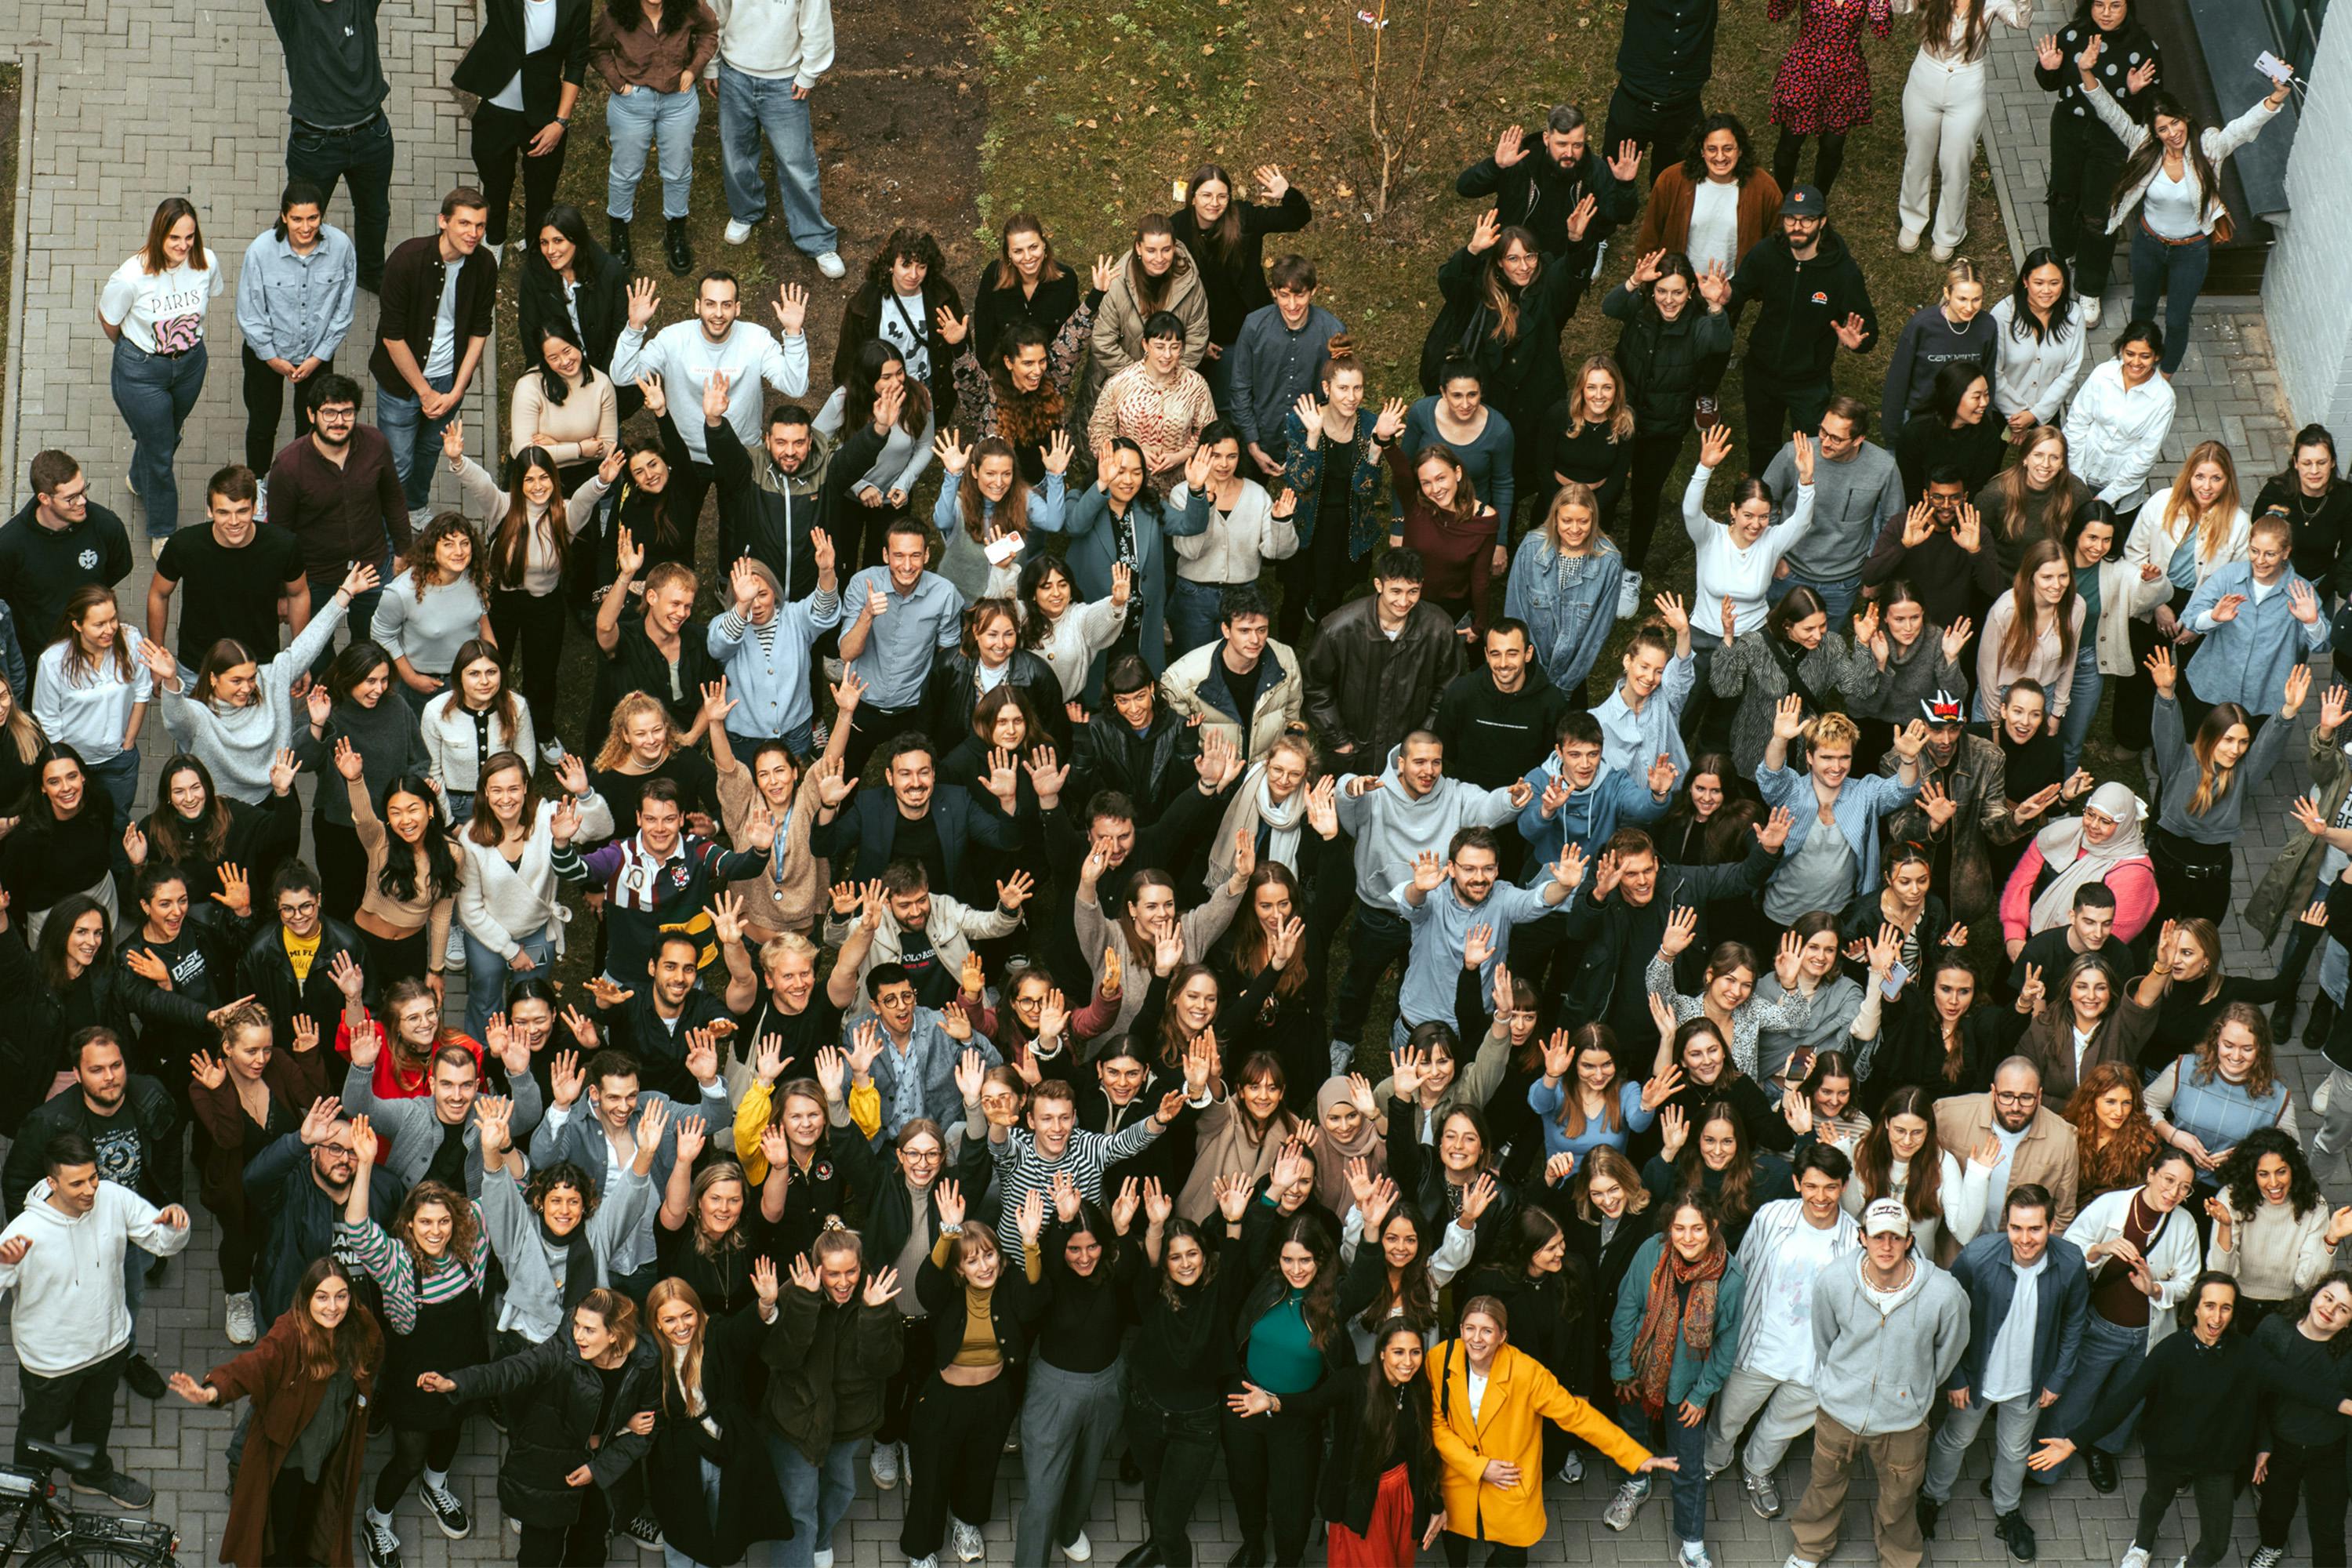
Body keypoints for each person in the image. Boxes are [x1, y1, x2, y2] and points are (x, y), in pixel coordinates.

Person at [0, 1130, 192, 1507]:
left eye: (93, 1177)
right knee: (37, 1434)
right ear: (52, 1182)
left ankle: (91, 1476)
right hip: (51, 1363)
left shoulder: (113, 1198)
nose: (90, 1190)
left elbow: (159, 1241)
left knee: (96, 1419)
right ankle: (22, 1501)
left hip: (109, 1345)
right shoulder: (24, 1231)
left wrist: (174, 1228)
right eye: (77, 1183)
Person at [1779, 1196, 1968, 1568]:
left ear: (1909, 1241)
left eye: (1895, 1238)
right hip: (1839, 1411)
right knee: (1823, 1487)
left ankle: (1898, 1560)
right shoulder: (1834, 1279)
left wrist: (1914, 1389)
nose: (1886, 1246)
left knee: (1899, 1500)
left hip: (1903, 1420)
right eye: (1877, 1236)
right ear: (1861, 1237)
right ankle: (1809, 1549)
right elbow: (1824, 1340)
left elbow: (1948, 1352)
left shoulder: (1944, 1294)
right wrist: (1843, 1381)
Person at [338, 1120, 489, 1566]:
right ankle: (377, 1520)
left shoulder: (472, 1245)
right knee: (409, 1455)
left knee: (453, 1428)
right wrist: (364, 1164)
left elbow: (501, 1191)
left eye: (444, 1220)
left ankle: (436, 1485)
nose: (437, 1230)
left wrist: (494, 1146)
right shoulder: (398, 1263)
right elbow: (358, 1228)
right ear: (410, 1223)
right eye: (426, 1222)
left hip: (464, 1367)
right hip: (414, 1378)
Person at [422, 1287, 659, 1567]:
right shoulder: (563, 1350)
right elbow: (512, 1370)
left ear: (614, 1334)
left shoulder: (644, 1363)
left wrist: (598, 1468)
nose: (578, 1336)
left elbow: (647, 1432)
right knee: (539, 1556)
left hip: (601, 1474)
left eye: (589, 1330)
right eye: (577, 1325)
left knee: (589, 1552)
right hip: (552, 1465)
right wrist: (456, 1383)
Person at [166, 1257, 379, 1566]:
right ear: (307, 1299)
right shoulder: (290, 1333)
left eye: (341, 1295)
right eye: (322, 1297)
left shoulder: (359, 1326)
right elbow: (255, 1365)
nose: (333, 1307)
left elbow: (375, 1355)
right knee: (278, 1525)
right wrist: (213, 1391)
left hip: (330, 1452)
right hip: (289, 1457)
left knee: (313, 1511)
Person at [2080, 63, 2290, 376]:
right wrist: (2086, 72)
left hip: (2190, 250)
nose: (2172, 133)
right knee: (2142, 309)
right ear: (2154, 132)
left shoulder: (2208, 147)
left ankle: (2164, 375)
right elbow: (2110, 112)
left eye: (2174, 123)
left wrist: (2277, 95)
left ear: (2185, 118)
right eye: (2162, 129)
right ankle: (2132, 360)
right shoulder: (2144, 145)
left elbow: (2242, 128)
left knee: (2177, 319)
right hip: (2149, 243)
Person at [1915, 1184, 2088, 1560]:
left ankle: (2007, 1510)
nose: (2025, 1240)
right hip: (1977, 1377)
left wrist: (2058, 1378)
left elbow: (2075, 1323)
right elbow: (1946, 1317)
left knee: (2014, 1450)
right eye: (2016, 1228)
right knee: (1954, 1440)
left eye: (2035, 1229)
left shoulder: (2071, 1261)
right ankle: (1931, 1496)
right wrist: (1956, 1376)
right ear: (2006, 1225)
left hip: (2029, 1382)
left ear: (2051, 1225)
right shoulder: (1977, 1256)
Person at [2028, 1271, 2248, 1566]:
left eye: (2226, 1308)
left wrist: (2333, 1400)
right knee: (2156, 1500)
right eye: (2210, 1305)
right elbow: (2124, 1399)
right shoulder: (2169, 1351)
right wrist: (2073, 1441)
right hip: (2169, 1451)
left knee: (2218, 1542)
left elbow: (2284, 1385)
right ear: (2195, 1307)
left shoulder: (2245, 1352)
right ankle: (2142, 1546)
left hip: (2217, 1458)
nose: (2217, 1317)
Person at [1444, 1290, 1671, 1567]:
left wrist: (1633, 1454)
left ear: (1503, 1336)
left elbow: (1576, 1415)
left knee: (1511, 1557)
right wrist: (1479, 1467)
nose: (1476, 1338)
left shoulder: (1527, 1373)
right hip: (1459, 1479)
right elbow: (1434, 1424)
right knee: (1456, 1544)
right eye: (1470, 1329)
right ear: (1460, 1330)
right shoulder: (1441, 1360)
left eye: (1487, 1331)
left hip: (1508, 1482)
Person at [2028, 1144, 2201, 1491]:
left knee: (2127, 1400)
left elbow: (2189, 1281)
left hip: (2148, 1334)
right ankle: (2041, 1468)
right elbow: (2069, 1250)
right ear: (2151, 1174)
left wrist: (2156, 1290)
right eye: (2169, 1180)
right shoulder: (2112, 1205)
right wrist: (2101, 1249)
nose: (2174, 1193)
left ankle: (2102, 1449)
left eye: (2185, 1187)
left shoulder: (2184, 1224)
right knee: (2075, 1398)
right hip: (2101, 1327)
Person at [1696, 1149, 1853, 1526]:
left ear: (1843, 1187)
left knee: (1781, 1428)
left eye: (1830, 1188)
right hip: (1758, 1348)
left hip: (1812, 1361)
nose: (1820, 1197)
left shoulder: (1853, 1241)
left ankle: (1757, 1469)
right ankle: (1710, 1463)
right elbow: (1742, 1269)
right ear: (1797, 1183)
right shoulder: (1771, 1216)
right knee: (1728, 1418)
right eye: (1811, 1186)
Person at [612, 275, 815, 550]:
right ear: (697, 306)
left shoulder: (756, 339)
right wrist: (635, 327)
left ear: (738, 308)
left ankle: (725, 581)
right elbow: (622, 375)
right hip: (686, 456)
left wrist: (793, 333)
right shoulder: (673, 339)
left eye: (726, 305)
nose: (718, 314)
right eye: (710, 304)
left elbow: (795, 385)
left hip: (741, 453)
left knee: (737, 526)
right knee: (679, 525)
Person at [1418, 212, 1583, 499]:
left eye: (1530, 257)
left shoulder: (1547, 289)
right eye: (1514, 259)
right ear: (1499, 262)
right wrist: (1472, 250)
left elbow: (1571, 277)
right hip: (1488, 396)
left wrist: (1576, 242)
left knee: (1515, 474)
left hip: (1530, 401)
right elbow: (1450, 282)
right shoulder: (1482, 293)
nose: (1524, 267)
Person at [1603, 254, 1732, 608]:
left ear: (1690, 292)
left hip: (1664, 428)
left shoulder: (1699, 325)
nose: (1668, 300)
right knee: (1608, 486)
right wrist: (1632, 281)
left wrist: (1716, 307)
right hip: (1622, 418)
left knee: (1646, 496)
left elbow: (1720, 343)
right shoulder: (1639, 310)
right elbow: (1608, 306)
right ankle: (1595, 553)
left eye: (1677, 292)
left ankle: (1632, 571)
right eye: (1661, 291)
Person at [2146, 650, 2306, 926]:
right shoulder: (2181, 760)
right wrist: (2166, 693)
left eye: (2243, 742)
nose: (2235, 750)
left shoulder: (2244, 774)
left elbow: (2268, 747)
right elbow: (2166, 729)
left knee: (2202, 944)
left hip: (2212, 879)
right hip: (2166, 869)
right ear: (2210, 735)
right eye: (2228, 740)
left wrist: (2288, 711)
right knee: (2150, 932)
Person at [99, 198, 223, 551]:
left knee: (165, 438)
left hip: (190, 366)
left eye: (189, 237)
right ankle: (163, 529)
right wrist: (135, 352)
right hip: (142, 372)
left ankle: (138, 478)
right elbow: (110, 320)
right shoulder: (131, 277)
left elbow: (208, 300)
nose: (183, 246)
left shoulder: (206, 262)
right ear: (158, 235)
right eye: (174, 238)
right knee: (161, 454)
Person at [2035, 0, 2165, 325]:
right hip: (2069, 126)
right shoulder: (2073, 36)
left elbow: (2152, 106)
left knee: (2099, 211)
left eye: (2115, 5)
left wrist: (2136, 93)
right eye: (2099, 4)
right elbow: (2051, 85)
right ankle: (2062, 256)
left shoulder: (2143, 49)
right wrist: (2048, 69)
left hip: (2112, 137)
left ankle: (2090, 287)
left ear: (2128, 8)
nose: (2106, 13)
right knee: (2063, 194)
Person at [265, 376, 408, 670]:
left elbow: (393, 500)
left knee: (372, 647)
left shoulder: (375, 445)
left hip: (372, 569)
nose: (339, 421)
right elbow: (279, 535)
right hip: (316, 578)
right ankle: (328, 699)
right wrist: (282, 594)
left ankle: (363, 692)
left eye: (347, 412)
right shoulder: (289, 466)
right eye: (329, 412)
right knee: (318, 652)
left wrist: (404, 552)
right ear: (311, 415)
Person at [1726, 187, 1878, 460]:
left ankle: (1803, 497)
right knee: (1761, 446)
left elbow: (1870, 331)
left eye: (1806, 219)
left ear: (1822, 222)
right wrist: (1726, 295)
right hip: (1761, 372)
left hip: (1809, 381)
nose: (1797, 227)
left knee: (1811, 450)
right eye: (1790, 219)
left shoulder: (1843, 272)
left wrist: (1859, 342)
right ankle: (1764, 497)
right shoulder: (1767, 253)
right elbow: (1740, 289)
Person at [371, 192, 495, 519]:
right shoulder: (407, 259)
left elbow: (480, 331)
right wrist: (425, 393)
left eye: (480, 225)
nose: (474, 233)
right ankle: (387, 523)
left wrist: (455, 392)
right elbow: (392, 337)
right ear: (443, 222)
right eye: (465, 223)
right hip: (402, 383)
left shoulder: (484, 265)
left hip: (447, 382)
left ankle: (414, 508)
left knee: (428, 451)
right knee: (397, 459)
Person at [235, 183, 358, 485]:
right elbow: (250, 313)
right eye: (298, 219)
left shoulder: (341, 247)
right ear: (284, 217)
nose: (306, 227)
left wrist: (318, 357)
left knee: (311, 426)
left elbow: (344, 308)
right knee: (263, 424)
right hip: (266, 357)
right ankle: (260, 483)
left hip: (315, 356)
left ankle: (301, 481)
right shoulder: (261, 252)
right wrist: (273, 359)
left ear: (321, 216)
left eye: (313, 218)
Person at [710, 0, 841, 274]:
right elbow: (714, 14)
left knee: (796, 162)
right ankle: (745, 212)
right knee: (736, 151)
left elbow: (816, 22)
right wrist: (712, 64)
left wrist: (809, 72)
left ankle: (815, 238)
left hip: (785, 82)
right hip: (735, 74)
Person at [451, 0, 590, 259]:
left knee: (541, 190)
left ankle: (536, 244)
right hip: (495, 113)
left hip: (544, 116)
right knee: (495, 184)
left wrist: (560, 123)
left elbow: (577, 60)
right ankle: (494, 240)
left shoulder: (576, 4)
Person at [591, 0, 718, 274]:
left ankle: (675, 232)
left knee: (678, 170)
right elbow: (598, 49)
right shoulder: (616, 12)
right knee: (625, 171)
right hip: (631, 103)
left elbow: (710, 32)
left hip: (679, 102)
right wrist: (618, 84)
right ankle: (619, 232)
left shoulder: (688, 6)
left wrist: (693, 69)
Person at [1167, 162, 1312, 401]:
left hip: (1251, 326)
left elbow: (1296, 218)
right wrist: (1194, 340)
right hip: (1208, 335)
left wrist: (1287, 192)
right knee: (1218, 404)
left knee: (1259, 398)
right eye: (1206, 195)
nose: (1214, 203)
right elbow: (1169, 291)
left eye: (1222, 196)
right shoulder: (1177, 229)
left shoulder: (1244, 217)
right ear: (1192, 197)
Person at [1304, 548, 1457, 769]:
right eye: (1395, 591)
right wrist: (1338, 740)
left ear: (1421, 586)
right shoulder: (1338, 629)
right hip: (1353, 752)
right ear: (1378, 585)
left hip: (1410, 756)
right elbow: (1316, 687)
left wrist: (1423, 739)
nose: (1404, 601)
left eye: (1413, 591)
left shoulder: (1439, 628)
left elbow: (1448, 689)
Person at [1276, 340, 1391, 635]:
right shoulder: (1301, 420)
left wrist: (1377, 449)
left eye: (1358, 388)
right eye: (1343, 389)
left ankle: (1321, 659)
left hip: (1346, 526)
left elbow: (1367, 491)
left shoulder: (1371, 426)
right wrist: (1313, 437)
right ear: (1326, 389)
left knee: (1331, 602)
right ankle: (1285, 652)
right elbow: (1299, 482)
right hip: (1306, 525)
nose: (1352, 397)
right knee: (1294, 596)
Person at [1899, 0, 2029, 260]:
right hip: (1926, 77)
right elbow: (1898, 6)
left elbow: (2021, 21)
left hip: (1967, 84)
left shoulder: (1992, 3)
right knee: (1918, 155)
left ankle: (1948, 232)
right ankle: (1912, 220)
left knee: (1956, 162)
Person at [1764, 401, 1904, 630]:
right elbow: (1764, 501)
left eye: (1836, 438)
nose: (1825, 443)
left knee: (1825, 649)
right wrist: (1775, 556)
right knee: (1777, 637)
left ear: (1859, 439)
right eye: (1823, 431)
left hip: (1842, 582)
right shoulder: (1794, 453)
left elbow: (1894, 524)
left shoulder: (1884, 468)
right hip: (1790, 571)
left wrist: (1875, 575)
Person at [2180, 510, 2328, 723]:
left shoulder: (2301, 592)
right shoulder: (2229, 576)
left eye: (2270, 554)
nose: (2260, 561)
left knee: (2253, 754)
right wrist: (2214, 617)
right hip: (2212, 689)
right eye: (2254, 551)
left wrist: (2312, 622)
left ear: (2286, 553)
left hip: (2265, 698)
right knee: (2198, 748)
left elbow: (2322, 647)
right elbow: (2191, 617)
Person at [32, 586, 153, 832]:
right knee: (73, 820)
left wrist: (128, 742)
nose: (110, 630)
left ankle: (119, 866)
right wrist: (68, 764)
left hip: (119, 759)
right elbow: (47, 716)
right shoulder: (53, 661)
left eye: (113, 620)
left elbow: (142, 690)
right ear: (77, 626)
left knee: (118, 821)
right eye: (99, 624)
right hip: (75, 765)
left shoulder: (131, 640)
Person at [2206, 1128, 2352, 1330]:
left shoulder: (2314, 1205)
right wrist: (2225, 1226)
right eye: (2263, 1174)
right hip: (2234, 1298)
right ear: (2252, 1174)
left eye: (2281, 1172)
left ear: (2293, 1169)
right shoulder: (2231, 1198)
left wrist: (2331, 1238)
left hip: (2285, 1305)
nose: (2274, 1183)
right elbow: (2220, 1274)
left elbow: (2310, 1282)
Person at [1229, 256, 1346, 479]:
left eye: (1300, 295)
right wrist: (1252, 445)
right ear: (1273, 292)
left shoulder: (1333, 331)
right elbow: (1240, 388)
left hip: (1312, 439)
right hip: (1260, 436)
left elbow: (1339, 395)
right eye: (1284, 296)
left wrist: (1313, 443)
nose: (1292, 306)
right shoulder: (1254, 326)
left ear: (1314, 291)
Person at [1764, 0, 1893, 198]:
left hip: (1845, 77)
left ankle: (1818, 204)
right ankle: (1781, 203)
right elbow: (1775, 14)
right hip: (1804, 72)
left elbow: (1882, 32)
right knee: (1789, 145)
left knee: (1832, 148)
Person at [372, 508, 495, 716]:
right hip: (425, 686)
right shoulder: (402, 592)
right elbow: (382, 634)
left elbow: (481, 617)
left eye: (465, 543)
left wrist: (491, 661)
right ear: (431, 548)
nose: (459, 551)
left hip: (470, 679)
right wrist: (411, 678)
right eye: (449, 544)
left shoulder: (474, 577)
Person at [1634, 113, 1783, 280]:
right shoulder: (1672, 180)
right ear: (1701, 151)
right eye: (1712, 149)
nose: (1720, 157)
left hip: (1729, 288)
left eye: (1728, 149)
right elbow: (1650, 235)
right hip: (1679, 284)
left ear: (1740, 150)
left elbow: (1775, 241)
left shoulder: (1764, 187)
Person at [2064, 321, 2176, 518]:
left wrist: (2109, 495)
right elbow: (2077, 424)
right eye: (2130, 354)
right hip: (2080, 471)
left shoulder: (2164, 399)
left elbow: (2146, 455)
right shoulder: (2102, 374)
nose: (2136, 362)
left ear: (2156, 356)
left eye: (2145, 356)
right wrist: (2077, 480)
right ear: (2122, 350)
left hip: (2121, 491)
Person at [1882, 261, 1997, 437]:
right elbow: (1898, 379)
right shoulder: (1923, 325)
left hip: (1963, 422)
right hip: (1920, 418)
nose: (1969, 307)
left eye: (1976, 299)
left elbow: (1988, 375)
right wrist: (1892, 432)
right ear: (1947, 293)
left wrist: (1985, 423)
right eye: (1962, 299)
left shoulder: (1987, 326)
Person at [1988, 253, 2089, 445]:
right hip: (2002, 408)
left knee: (2049, 466)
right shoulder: (2003, 313)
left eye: (2054, 283)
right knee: (1987, 465)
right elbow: (1993, 370)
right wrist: (2017, 416)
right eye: (2039, 283)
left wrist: (2035, 415)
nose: (2046, 291)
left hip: (2046, 410)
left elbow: (2070, 371)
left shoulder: (2074, 315)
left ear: (2064, 284)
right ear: (2025, 281)